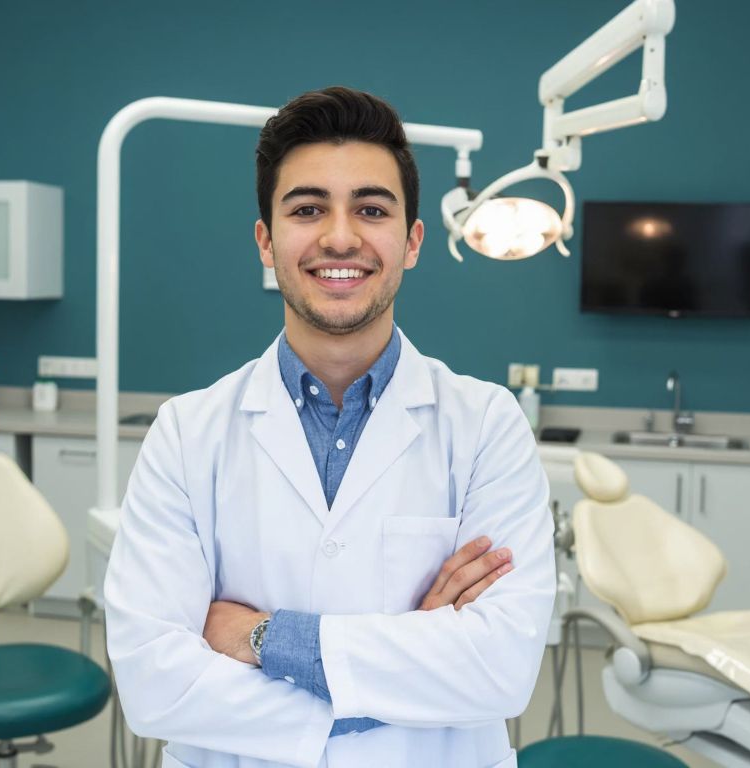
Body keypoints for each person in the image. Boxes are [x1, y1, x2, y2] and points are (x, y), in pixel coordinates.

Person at [105, 86, 555, 768]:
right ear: (266, 240)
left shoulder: (488, 427)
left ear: (411, 242)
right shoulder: (186, 433)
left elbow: (500, 669)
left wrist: (260, 637)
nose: (339, 236)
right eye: (307, 209)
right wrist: (405, 668)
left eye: (371, 210)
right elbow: (152, 683)